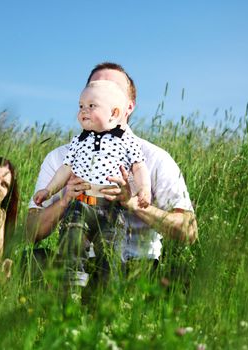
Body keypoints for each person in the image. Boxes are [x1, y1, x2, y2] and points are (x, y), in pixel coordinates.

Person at [26, 62, 197, 273]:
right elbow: (29, 233)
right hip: (74, 258)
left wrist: (133, 203)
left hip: (135, 266)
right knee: (29, 262)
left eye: (111, 89)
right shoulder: (61, 155)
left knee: (180, 274)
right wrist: (65, 200)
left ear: (127, 107)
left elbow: (189, 231)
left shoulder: (154, 157)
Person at [33, 79, 151, 286]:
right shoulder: (78, 141)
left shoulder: (126, 140)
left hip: (111, 207)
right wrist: (49, 190)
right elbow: (66, 168)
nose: (83, 111)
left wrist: (144, 189)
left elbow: (139, 167)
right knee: (71, 243)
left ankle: (104, 294)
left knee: (110, 252)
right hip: (81, 203)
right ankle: (70, 286)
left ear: (114, 113)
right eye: (80, 106)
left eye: (91, 106)